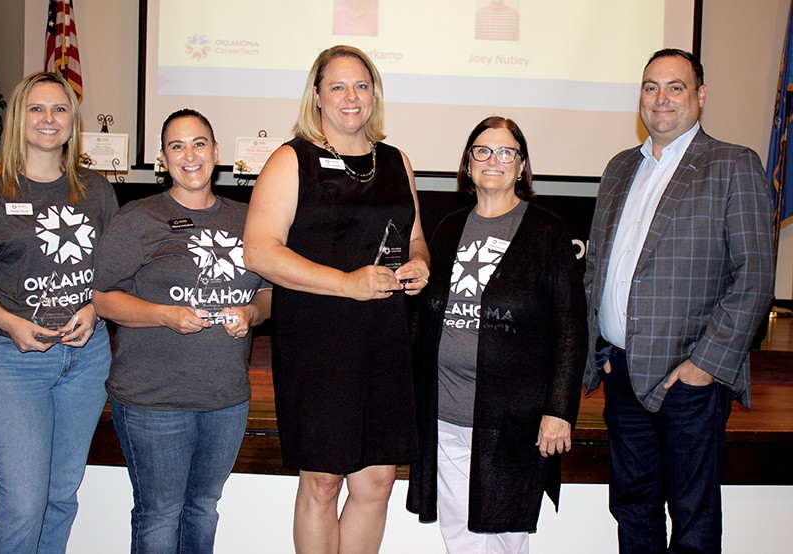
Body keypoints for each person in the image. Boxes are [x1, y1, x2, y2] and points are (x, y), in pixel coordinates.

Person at [583, 49, 775, 553]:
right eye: (651, 87)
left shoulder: (733, 165)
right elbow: (598, 267)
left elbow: (754, 277)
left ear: (700, 96)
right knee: (632, 508)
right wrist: (599, 352)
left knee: (692, 516)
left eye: (675, 87)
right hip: (621, 373)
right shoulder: (620, 168)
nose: (661, 98)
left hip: (688, 381)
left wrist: (703, 367)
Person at [243, 45, 430, 553]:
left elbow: (414, 239)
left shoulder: (396, 162)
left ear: (375, 95)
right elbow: (259, 252)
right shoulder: (291, 159)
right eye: (338, 86)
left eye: (362, 86)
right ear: (318, 96)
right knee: (322, 483)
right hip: (319, 340)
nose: (352, 96)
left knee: (376, 483)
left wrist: (420, 265)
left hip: (384, 339)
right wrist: (347, 283)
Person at [0, 71, 118, 553]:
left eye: (59, 109)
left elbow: (113, 277)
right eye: (36, 109)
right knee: (23, 503)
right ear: (19, 118)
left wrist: (94, 311)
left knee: (61, 496)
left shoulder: (97, 192)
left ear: (72, 120)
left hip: (85, 360)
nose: (48, 119)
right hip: (9, 359)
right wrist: (12, 323)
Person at [92, 109, 271, 552]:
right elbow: (102, 298)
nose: (189, 155)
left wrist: (251, 313)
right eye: (177, 146)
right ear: (162, 158)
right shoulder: (137, 218)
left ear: (216, 153)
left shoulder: (250, 219)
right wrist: (164, 315)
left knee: (203, 508)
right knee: (159, 514)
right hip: (154, 400)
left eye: (199, 144)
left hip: (224, 399)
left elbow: (269, 294)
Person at [406, 116, 587, 553]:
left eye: (506, 152)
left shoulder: (547, 231)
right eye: (482, 151)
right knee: (460, 536)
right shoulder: (449, 227)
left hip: (514, 420)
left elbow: (570, 325)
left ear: (522, 166)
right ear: (467, 165)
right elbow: (425, 316)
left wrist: (559, 409)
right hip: (446, 413)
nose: (493, 160)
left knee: (505, 535)